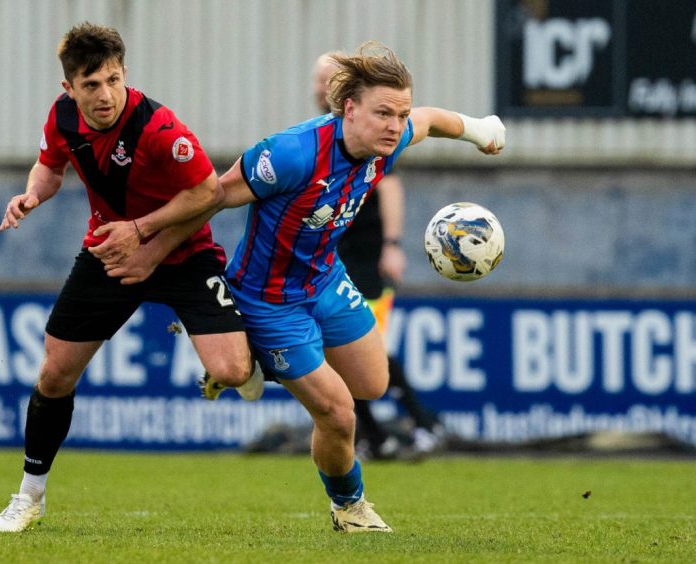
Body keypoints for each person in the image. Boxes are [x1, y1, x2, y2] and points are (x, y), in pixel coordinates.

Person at [105, 41, 505, 533]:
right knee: (338, 414)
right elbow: (209, 197)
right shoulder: (291, 154)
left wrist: (481, 130)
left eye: (399, 114)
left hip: (326, 281)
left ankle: (246, 361)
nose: (395, 125)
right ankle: (350, 507)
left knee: (372, 385)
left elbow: (432, 118)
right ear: (349, 108)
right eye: (384, 113)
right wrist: (148, 241)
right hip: (268, 301)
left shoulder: (391, 138)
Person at [0, 22, 262, 533]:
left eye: (113, 80)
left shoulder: (161, 129)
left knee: (233, 372)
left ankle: (230, 357)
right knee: (54, 374)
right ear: (68, 88)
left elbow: (208, 195)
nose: (105, 94)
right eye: (91, 85)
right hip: (110, 252)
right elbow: (50, 168)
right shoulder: (62, 117)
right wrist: (30, 195)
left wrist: (142, 235)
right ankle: (29, 497)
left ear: (125, 75)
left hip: (182, 251)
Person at [313, 53, 444, 460]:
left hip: (368, 259)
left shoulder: (374, 135)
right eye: (317, 81)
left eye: (326, 80)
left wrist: (391, 245)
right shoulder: (321, 137)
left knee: (366, 349)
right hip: (335, 261)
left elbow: (390, 188)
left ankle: (423, 424)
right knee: (339, 355)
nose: (319, 88)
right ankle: (376, 437)